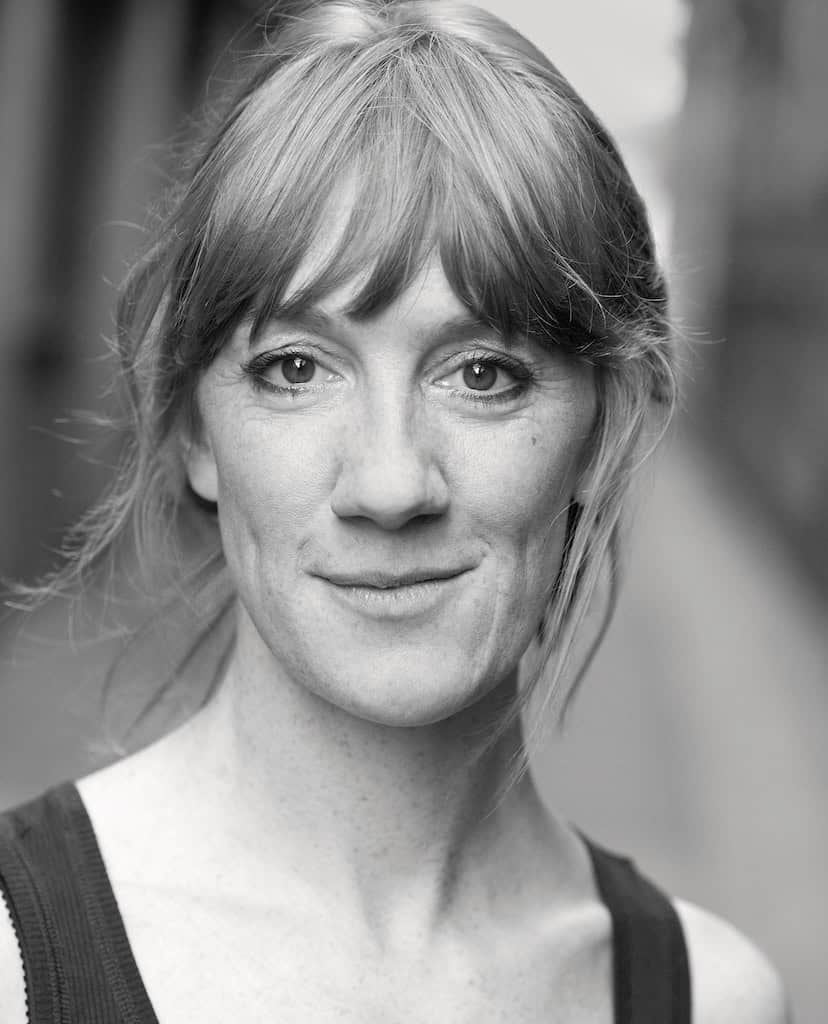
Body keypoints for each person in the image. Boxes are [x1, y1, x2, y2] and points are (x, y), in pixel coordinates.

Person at [0, 1, 790, 1020]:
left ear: (606, 427)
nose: (388, 484)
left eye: (482, 373)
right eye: (296, 368)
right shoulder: (11, 968)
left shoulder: (717, 1000)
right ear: (194, 428)